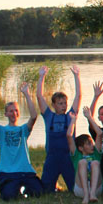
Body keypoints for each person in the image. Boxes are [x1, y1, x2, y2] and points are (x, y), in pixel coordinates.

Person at [0, 81, 42, 201]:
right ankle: (13, 188)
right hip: (8, 172)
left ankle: (23, 188)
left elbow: (33, 116)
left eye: (16, 110)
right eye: (11, 111)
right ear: (6, 114)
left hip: (25, 171)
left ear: (19, 113)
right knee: (8, 196)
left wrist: (26, 94)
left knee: (38, 193)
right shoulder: (1, 131)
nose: (14, 113)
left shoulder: (23, 130)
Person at [36, 65, 81, 193]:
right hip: (52, 157)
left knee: (75, 190)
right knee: (45, 191)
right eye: (60, 103)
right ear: (54, 105)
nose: (63, 106)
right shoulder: (48, 116)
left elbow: (78, 96)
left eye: (65, 103)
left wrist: (76, 76)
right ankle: (54, 185)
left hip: (68, 157)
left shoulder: (71, 116)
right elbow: (39, 96)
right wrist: (41, 76)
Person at [67, 107, 103, 204]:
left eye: (91, 143)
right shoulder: (77, 155)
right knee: (82, 162)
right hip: (80, 189)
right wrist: (73, 121)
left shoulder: (95, 153)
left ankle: (92, 194)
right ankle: (86, 195)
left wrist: (89, 117)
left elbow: (100, 133)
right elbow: (69, 136)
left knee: (95, 163)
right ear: (80, 148)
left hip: (96, 188)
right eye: (88, 144)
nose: (92, 146)